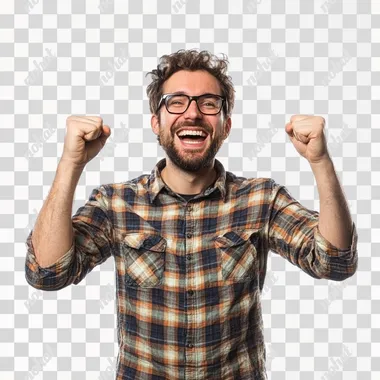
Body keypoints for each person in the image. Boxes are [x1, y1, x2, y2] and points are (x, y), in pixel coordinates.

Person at [25, 49, 358, 380]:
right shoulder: (117, 203)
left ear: (225, 125)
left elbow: (335, 261)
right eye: (176, 101)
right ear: (157, 122)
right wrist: (71, 163)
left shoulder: (260, 199)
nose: (193, 114)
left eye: (208, 103)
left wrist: (320, 162)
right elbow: (48, 273)